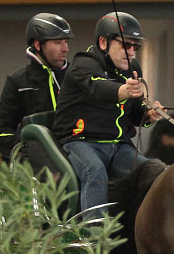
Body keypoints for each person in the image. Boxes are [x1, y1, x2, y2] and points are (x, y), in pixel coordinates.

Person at [52, 11, 164, 215]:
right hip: (80, 141)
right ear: (103, 42)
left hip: (119, 146)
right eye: (125, 45)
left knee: (155, 172)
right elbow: (99, 88)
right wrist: (124, 90)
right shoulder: (83, 64)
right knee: (94, 170)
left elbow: (135, 115)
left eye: (135, 46)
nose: (131, 52)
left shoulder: (133, 68)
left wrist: (149, 116)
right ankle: (95, 238)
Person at [0, 12, 74, 162]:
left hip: (75, 152)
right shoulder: (18, 82)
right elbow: (0, 131)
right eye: (58, 43)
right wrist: (26, 145)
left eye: (66, 42)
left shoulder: (77, 76)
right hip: (36, 162)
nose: (65, 48)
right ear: (38, 45)